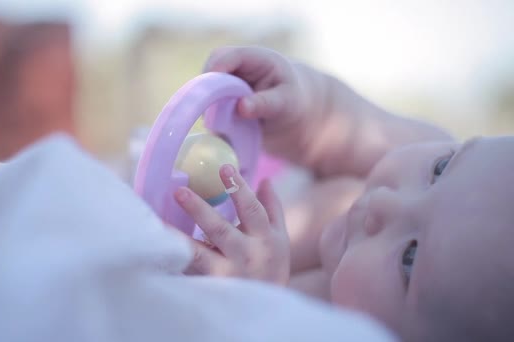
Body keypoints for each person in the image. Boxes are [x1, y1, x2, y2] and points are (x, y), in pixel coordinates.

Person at [173, 46, 514, 341]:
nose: (385, 203)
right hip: (241, 166)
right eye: (440, 169)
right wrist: (291, 99)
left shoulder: (322, 328)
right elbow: (332, 119)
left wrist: (256, 300)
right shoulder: (414, 145)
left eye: (410, 256)